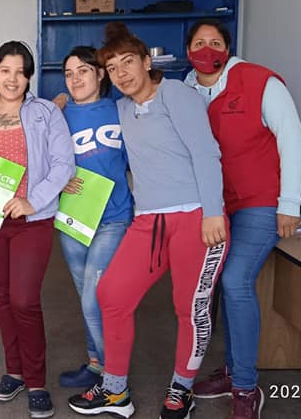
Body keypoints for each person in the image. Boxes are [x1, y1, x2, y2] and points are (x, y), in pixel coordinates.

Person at [67, 23, 228, 419]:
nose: (121, 73)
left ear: (146, 62)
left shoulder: (175, 94)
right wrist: (59, 101)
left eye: (128, 62)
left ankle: (181, 389)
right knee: (111, 294)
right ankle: (115, 391)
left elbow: (206, 152)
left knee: (189, 307)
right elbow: (87, 113)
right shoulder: (122, 108)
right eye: (113, 68)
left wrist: (213, 211)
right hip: (149, 220)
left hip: (196, 216)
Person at [183, 19, 301, 419]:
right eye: (198, 43)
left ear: (228, 48)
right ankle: (232, 370)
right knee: (218, 282)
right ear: (188, 51)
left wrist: (290, 203)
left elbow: (293, 139)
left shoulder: (260, 82)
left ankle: (246, 387)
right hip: (215, 206)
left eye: (215, 42)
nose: (207, 49)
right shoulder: (186, 90)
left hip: (260, 202)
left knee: (236, 281)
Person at [0, 41, 74, 419]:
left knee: (24, 300)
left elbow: (63, 165)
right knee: (3, 296)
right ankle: (15, 372)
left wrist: (32, 201)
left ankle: (37, 381)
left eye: (20, 72)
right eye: (5, 70)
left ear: (29, 77)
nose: (12, 79)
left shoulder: (46, 112)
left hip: (32, 221)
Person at [55, 46, 133, 390]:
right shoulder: (56, 115)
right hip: (73, 216)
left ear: (100, 74)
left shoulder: (121, 111)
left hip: (113, 216)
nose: (75, 79)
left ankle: (115, 380)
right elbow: (41, 161)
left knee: (94, 298)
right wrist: (58, 179)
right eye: (69, 74)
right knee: (84, 293)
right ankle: (96, 364)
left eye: (83, 71)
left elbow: (140, 160)